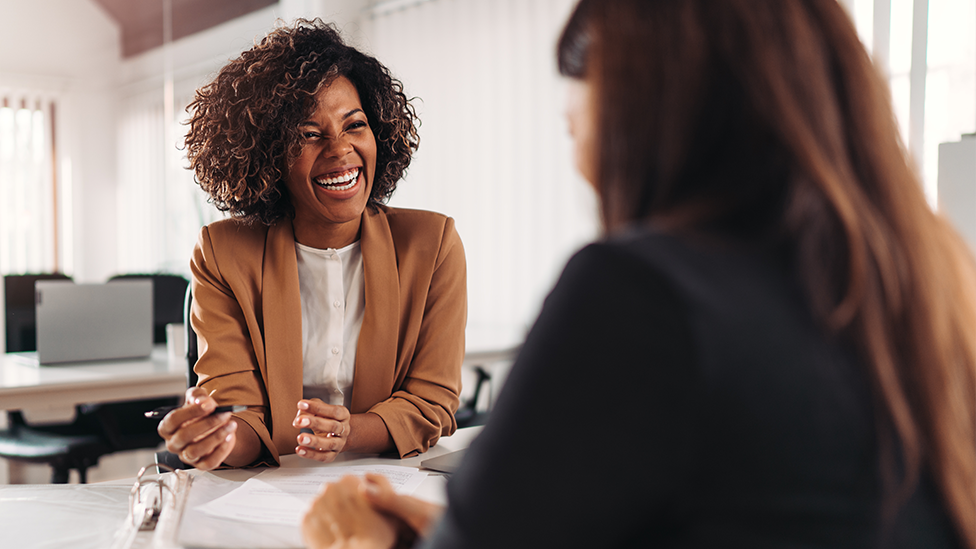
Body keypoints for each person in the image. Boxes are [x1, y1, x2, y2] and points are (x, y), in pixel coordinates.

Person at [300, 0, 976, 547]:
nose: (582, 168)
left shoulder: (642, 295)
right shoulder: (933, 281)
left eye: (574, 130)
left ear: (640, 123)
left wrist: (358, 541)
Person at [157, 19, 467, 471]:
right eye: (308, 133)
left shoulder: (432, 244)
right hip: (267, 490)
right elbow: (241, 416)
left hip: (387, 480)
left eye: (354, 125)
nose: (340, 150)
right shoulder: (223, 253)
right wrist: (216, 438)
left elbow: (432, 402)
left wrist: (349, 432)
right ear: (268, 154)